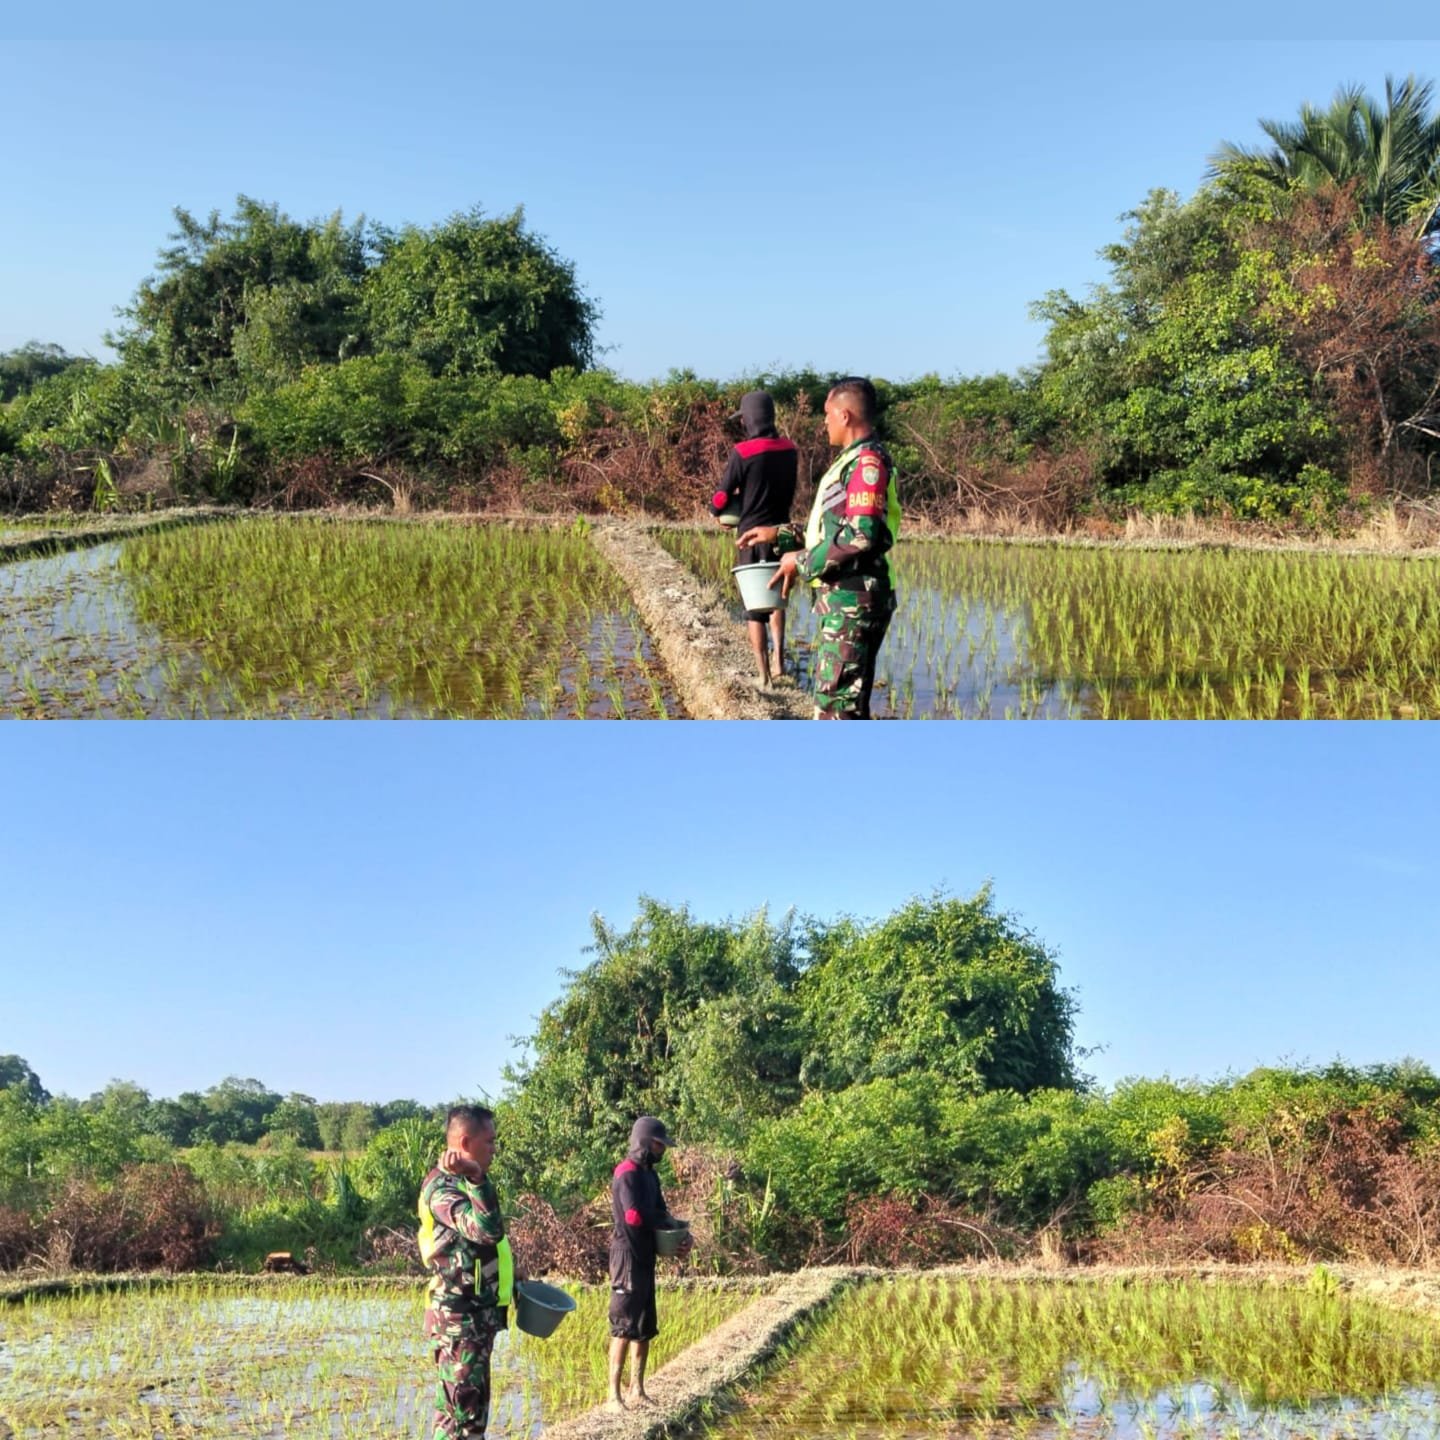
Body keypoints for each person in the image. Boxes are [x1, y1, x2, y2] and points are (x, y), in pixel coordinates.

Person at [737, 377, 899, 719]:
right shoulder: (849, 461)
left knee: (836, 709)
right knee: (841, 705)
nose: (824, 421)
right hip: (844, 599)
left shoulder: (866, 464)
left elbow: (861, 535)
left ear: (845, 415)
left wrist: (801, 562)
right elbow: (831, 530)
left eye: (827, 413)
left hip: (852, 601)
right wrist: (778, 535)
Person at [418, 1105, 515, 1440]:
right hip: (459, 1322)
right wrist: (477, 1178)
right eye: (489, 1141)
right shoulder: (443, 1190)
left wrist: (513, 1276)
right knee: (459, 1422)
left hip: (477, 1319)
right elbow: (487, 1231)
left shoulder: (463, 1183)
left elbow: (485, 1247)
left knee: (470, 1417)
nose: (494, 1149)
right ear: (465, 1142)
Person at [710, 390, 798, 685]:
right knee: (777, 597)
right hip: (783, 534)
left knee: (754, 606)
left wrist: (717, 510)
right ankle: (779, 663)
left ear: (748, 419)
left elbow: (722, 495)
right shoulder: (790, 450)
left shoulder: (743, 452)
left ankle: (763, 676)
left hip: (750, 536)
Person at [607, 1115, 692, 1412]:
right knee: (623, 1326)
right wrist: (660, 1220)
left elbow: (661, 1212)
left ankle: (637, 1390)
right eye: (658, 1144)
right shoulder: (626, 1173)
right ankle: (613, 1396)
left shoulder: (650, 1176)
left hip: (645, 1256)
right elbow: (633, 1216)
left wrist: (681, 1234)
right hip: (626, 1257)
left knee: (644, 1325)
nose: (662, 1150)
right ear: (644, 1141)